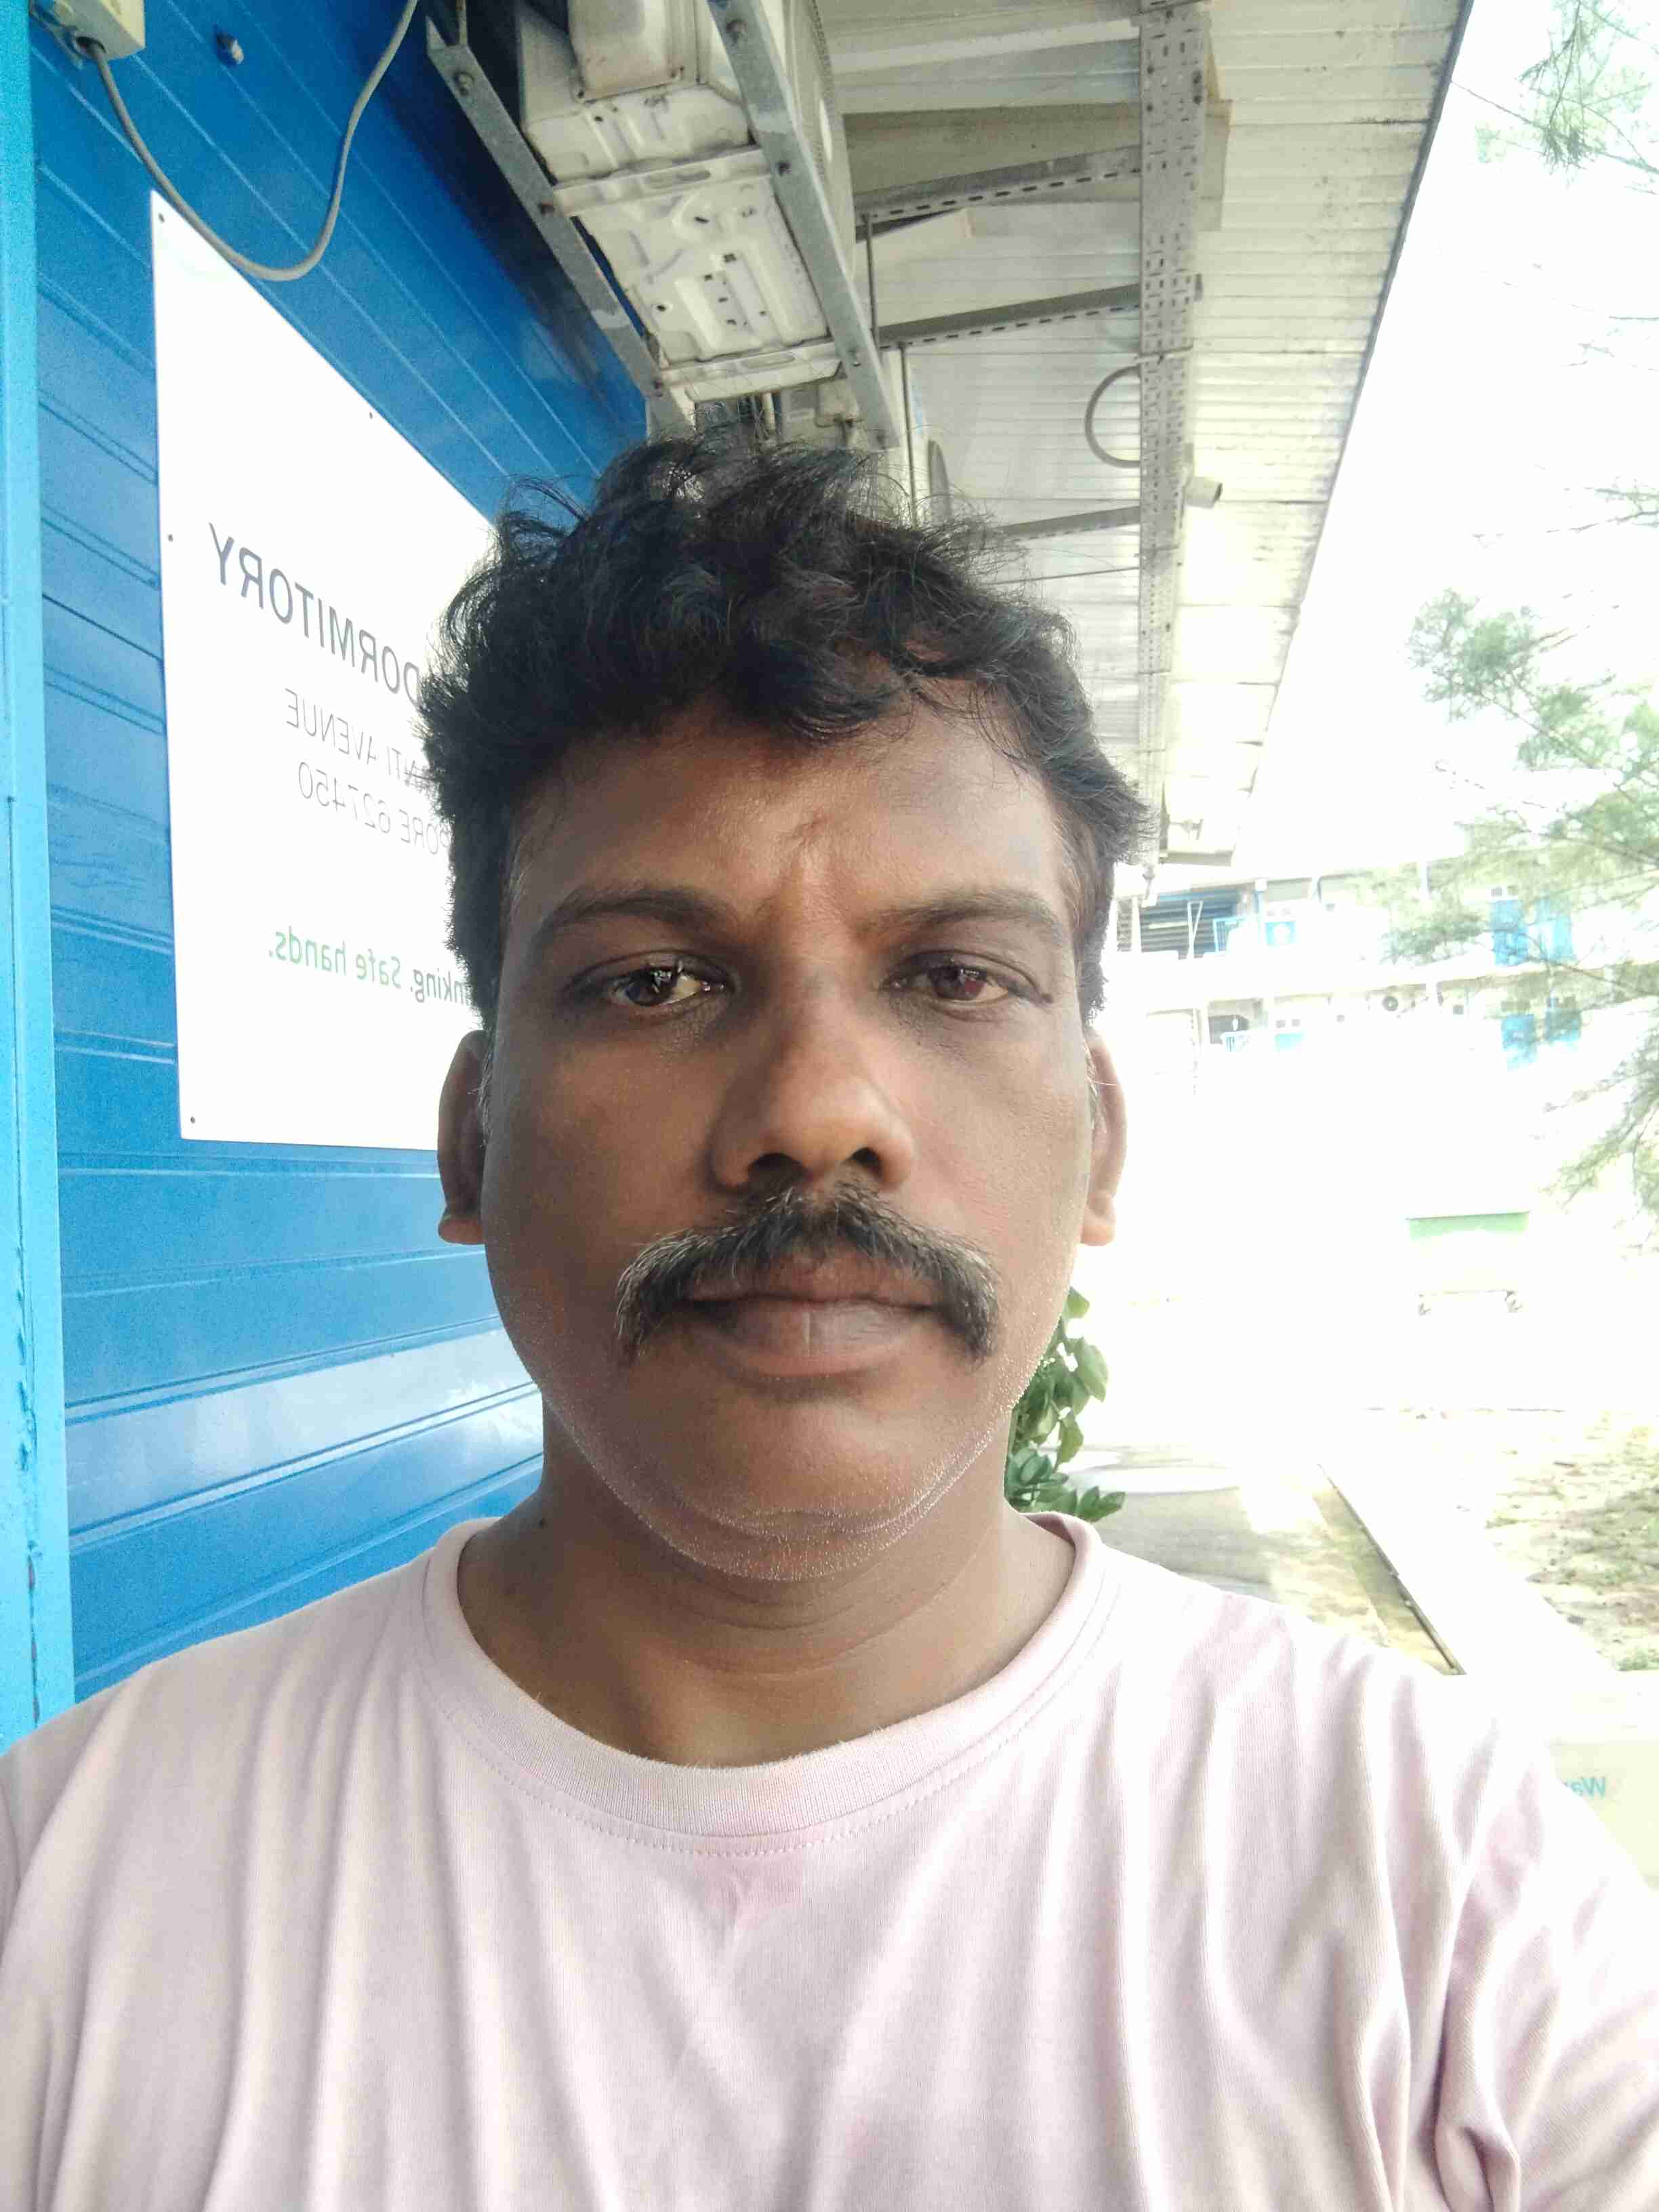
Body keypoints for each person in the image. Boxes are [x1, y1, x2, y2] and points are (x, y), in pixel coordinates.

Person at [3, 432, 1656, 2209]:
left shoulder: (1450, 1903)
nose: (816, 1111)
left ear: (1100, 1142)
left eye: (954, 977)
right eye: (653, 980)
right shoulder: (66, 1894)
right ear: (473, 1140)